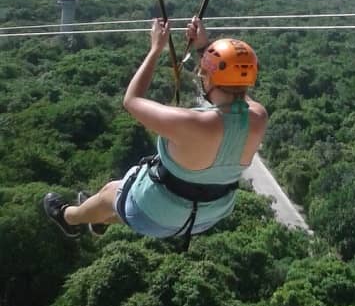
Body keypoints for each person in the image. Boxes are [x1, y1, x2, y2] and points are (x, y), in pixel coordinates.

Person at [43, 16, 268, 241]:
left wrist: (155, 49)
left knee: (110, 192)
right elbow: (237, 91)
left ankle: (68, 217)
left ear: (208, 78)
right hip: (206, 217)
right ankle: (102, 219)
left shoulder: (191, 124)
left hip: (152, 213)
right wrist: (204, 48)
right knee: (129, 204)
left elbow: (131, 100)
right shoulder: (258, 118)